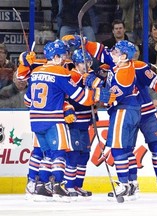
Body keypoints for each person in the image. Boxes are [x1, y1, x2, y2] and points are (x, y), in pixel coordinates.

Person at [62, 35, 157, 198]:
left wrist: (94, 82)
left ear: (124, 56)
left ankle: (127, 184)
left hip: (127, 110)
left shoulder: (126, 72)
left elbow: (112, 95)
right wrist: (84, 42)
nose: (111, 53)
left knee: (120, 148)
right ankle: (131, 185)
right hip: (130, 110)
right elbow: (101, 51)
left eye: (115, 51)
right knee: (127, 149)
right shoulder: (117, 64)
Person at [23, 40, 97, 202]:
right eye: (63, 55)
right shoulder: (60, 73)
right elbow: (81, 97)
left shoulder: (36, 72)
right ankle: (57, 185)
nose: (65, 59)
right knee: (59, 153)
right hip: (53, 120)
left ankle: (42, 186)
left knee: (47, 155)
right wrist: (98, 95)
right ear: (55, 56)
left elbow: (27, 100)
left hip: (35, 121)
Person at [63, 49, 95, 198]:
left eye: (88, 62)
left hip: (85, 122)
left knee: (84, 155)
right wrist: (67, 110)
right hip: (73, 122)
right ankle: (68, 186)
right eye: (83, 62)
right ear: (76, 63)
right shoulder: (72, 76)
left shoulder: (89, 76)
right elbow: (65, 96)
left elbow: (92, 98)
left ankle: (77, 185)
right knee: (74, 154)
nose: (86, 65)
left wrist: (94, 110)